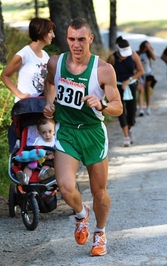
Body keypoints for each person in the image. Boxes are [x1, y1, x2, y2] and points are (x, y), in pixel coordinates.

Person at [43, 18, 122, 256]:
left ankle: (100, 233)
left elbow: (118, 107)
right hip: (66, 131)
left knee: (99, 192)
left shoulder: (103, 70)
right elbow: (49, 84)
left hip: (92, 134)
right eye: (71, 39)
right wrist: (49, 102)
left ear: (90, 39)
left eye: (80, 39)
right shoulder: (56, 63)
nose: (76, 45)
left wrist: (102, 105)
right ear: (66, 38)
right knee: (66, 189)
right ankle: (81, 215)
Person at [0, 17, 56, 145]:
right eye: (50, 32)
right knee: (29, 141)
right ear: (41, 32)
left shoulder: (45, 55)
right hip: (27, 109)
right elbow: (5, 76)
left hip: (41, 106)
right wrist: (19, 94)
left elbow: (49, 82)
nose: (53, 35)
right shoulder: (24, 54)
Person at [107, 36, 144, 147]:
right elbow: (106, 72)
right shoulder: (112, 58)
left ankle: (130, 127)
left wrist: (129, 80)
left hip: (131, 85)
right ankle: (126, 135)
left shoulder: (133, 55)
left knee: (132, 110)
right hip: (117, 87)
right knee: (120, 110)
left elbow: (141, 71)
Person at [16, 117, 56, 185]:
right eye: (44, 132)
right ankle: (25, 178)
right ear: (39, 133)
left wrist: (51, 156)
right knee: (29, 166)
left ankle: (44, 174)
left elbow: (58, 153)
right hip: (36, 160)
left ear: (54, 131)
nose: (47, 135)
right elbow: (33, 152)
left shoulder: (55, 141)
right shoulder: (38, 141)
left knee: (47, 165)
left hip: (47, 161)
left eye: (50, 131)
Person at [137, 40, 157, 116]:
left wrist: (149, 49)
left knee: (147, 90)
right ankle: (141, 109)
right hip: (140, 74)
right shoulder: (137, 53)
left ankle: (148, 107)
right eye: (145, 46)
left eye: (148, 46)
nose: (146, 48)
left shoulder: (148, 54)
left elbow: (154, 58)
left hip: (148, 74)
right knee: (140, 90)